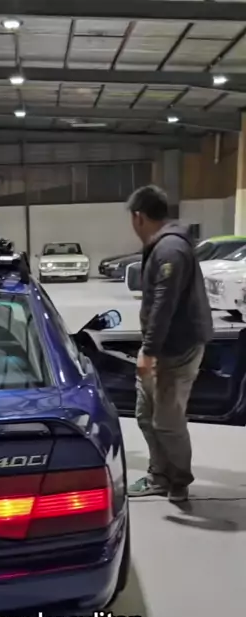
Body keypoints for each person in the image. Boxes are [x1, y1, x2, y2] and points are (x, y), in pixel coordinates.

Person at [126, 185, 213, 503]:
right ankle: (158, 475)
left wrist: (148, 352)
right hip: (162, 347)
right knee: (145, 414)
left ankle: (179, 480)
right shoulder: (163, 244)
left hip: (177, 350)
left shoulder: (170, 250)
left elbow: (164, 304)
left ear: (138, 216)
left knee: (168, 421)